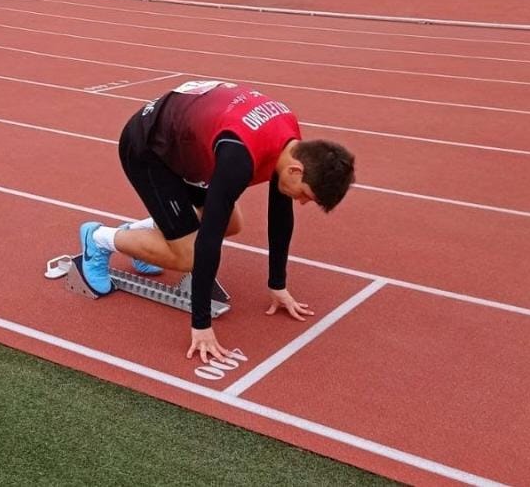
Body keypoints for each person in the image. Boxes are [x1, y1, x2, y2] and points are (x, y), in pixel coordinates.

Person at [77, 80, 355, 363]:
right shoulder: (239, 158)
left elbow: (280, 215)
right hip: (149, 148)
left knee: (232, 223)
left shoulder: (292, 144)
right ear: (296, 171)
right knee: (189, 255)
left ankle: (146, 241)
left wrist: (277, 284)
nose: (302, 202)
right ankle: (97, 239)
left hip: (187, 147)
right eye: (306, 195)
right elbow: (208, 241)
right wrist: (201, 325)